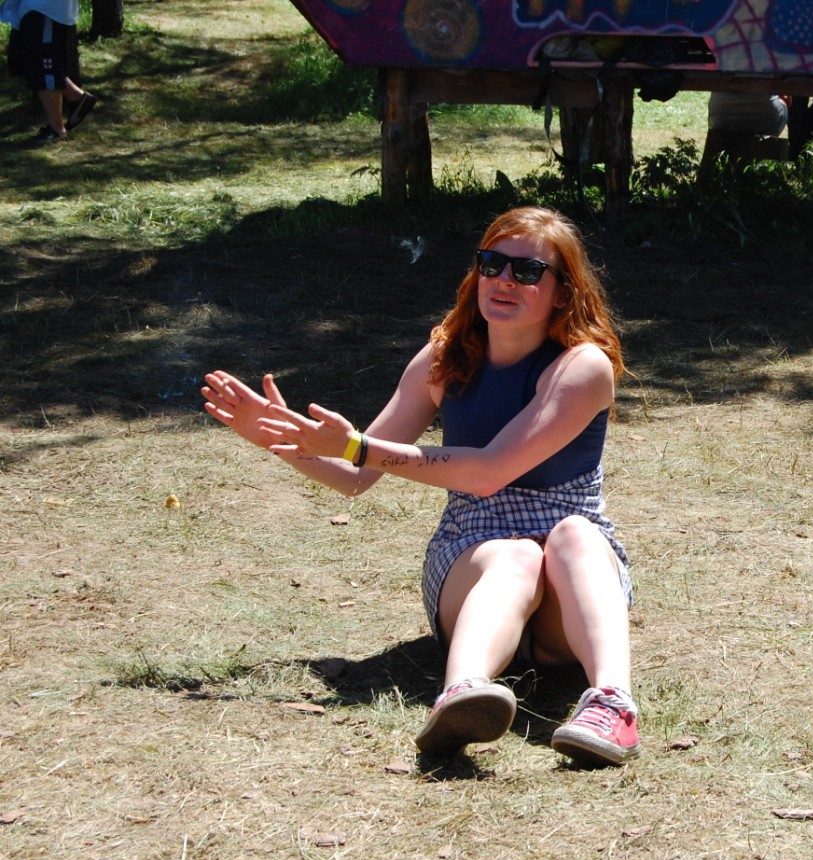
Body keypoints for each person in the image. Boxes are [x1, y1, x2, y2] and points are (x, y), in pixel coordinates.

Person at [202, 206, 642, 767]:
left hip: (569, 588)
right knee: (514, 557)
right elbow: (355, 477)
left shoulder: (582, 368)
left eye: (528, 271)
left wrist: (356, 445)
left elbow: (488, 471)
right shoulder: (444, 357)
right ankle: (462, 695)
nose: (505, 280)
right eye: (492, 264)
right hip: (474, 559)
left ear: (562, 294)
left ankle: (612, 705)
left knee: (575, 534)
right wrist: (279, 439)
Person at [8, 0, 98, 143]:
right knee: (28, 63)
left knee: (45, 67)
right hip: (27, 9)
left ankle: (56, 129)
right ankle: (76, 97)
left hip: (46, 10)